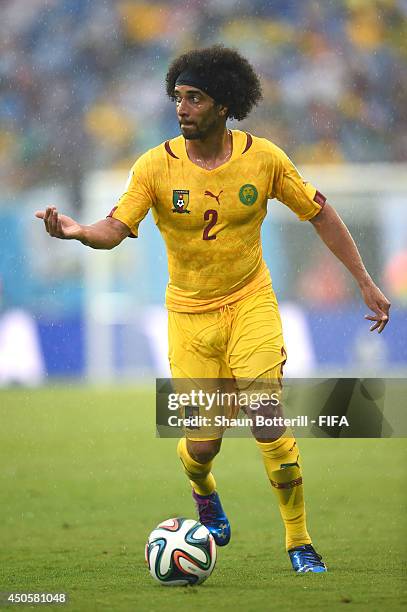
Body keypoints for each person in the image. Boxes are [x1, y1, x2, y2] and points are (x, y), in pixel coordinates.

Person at [35, 45, 391, 574]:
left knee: (268, 420)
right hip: (189, 318)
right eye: (178, 97)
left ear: (224, 105)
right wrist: (79, 231)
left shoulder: (265, 159)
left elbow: (320, 213)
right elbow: (115, 228)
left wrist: (363, 279)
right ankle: (203, 491)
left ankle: (299, 541)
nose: (182, 108)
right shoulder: (154, 166)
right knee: (202, 446)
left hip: (251, 303)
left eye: (194, 98)